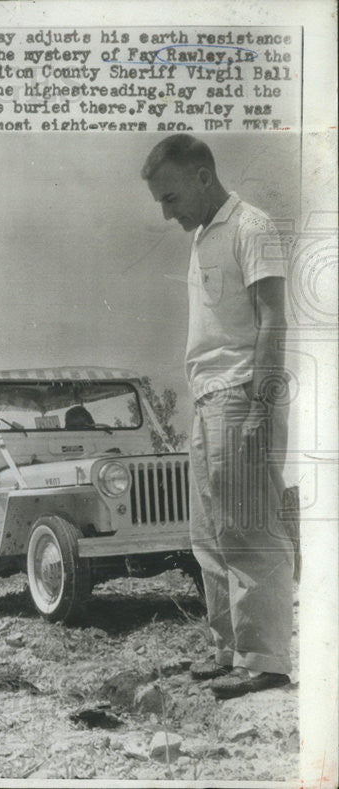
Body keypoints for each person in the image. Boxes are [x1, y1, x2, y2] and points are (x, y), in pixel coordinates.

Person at [142, 135, 294, 699]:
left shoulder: (252, 226)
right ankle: (228, 649)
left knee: (251, 528)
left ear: (203, 176)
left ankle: (266, 660)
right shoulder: (205, 233)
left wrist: (263, 402)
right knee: (209, 533)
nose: (167, 211)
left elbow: (274, 318)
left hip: (240, 392)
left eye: (172, 196)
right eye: (160, 200)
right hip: (206, 398)